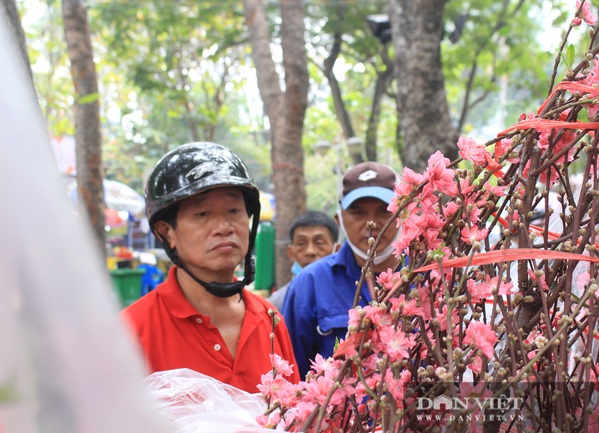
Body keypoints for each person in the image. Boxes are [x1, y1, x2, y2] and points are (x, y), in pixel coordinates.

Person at [120, 142, 300, 393]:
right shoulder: (131, 330)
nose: (224, 227)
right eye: (203, 214)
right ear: (166, 233)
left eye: (234, 210)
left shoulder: (270, 320)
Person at [282, 161, 402, 378]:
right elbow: (291, 378)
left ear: (403, 213)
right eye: (358, 212)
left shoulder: (429, 276)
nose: (371, 223)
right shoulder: (309, 285)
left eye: (385, 211)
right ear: (340, 219)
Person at [267, 210, 339, 309]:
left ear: (337, 250)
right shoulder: (276, 304)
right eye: (301, 244)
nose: (310, 251)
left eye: (319, 243)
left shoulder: (352, 296)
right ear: (291, 253)